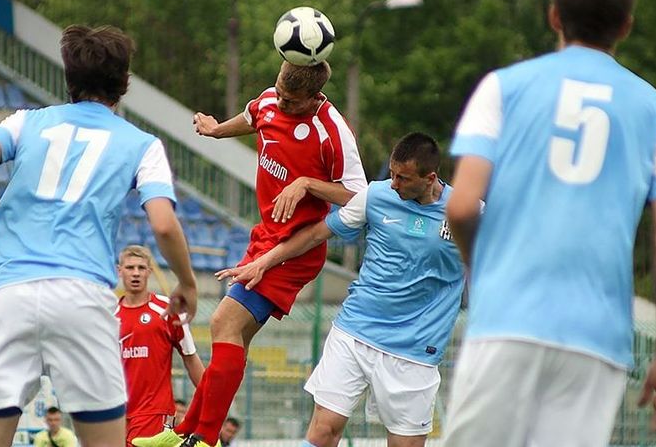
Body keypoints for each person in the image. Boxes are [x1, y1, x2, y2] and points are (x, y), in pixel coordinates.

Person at [443, 0, 656, 445]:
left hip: (505, 319)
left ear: (554, 16)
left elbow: (460, 207)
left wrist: (488, 271)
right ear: (626, 27)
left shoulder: (503, 87)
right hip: (596, 337)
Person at [0, 24, 197, 447]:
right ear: (124, 84)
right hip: (81, 295)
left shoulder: (27, 123)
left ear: (68, 78)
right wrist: (187, 282)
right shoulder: (142, 144)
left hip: (9, 291)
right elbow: (162, 223)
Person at [134, 60, 366, 447]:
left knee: (223, 322)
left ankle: (204, 439)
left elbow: (360, 196)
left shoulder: (331, 130)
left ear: (315, 98)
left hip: (296, 247)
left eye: (293, 101)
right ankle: (183, 433)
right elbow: (252, 116)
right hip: (265, 238)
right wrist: (216, 131)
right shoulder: (272, 101)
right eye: (279, 91)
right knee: (233, 336)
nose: (283, 102)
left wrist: (308, 184)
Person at [219, 133, 464, 447]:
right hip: (355, 331)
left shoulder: (465, 212)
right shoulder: (375, 196)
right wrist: (262, 262)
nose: (393, 184)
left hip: (414, 350)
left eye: (402, 178)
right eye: (391, 173)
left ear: (430, 178)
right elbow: (314, 235)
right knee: (322, 432)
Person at [116, 245, 205, 446]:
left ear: (149, 271)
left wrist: (212, 402)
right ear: (119, 271)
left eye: (141, 267)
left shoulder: (167, 309)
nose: (136, 273)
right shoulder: (108, 315)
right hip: (115, 413)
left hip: (153, 412)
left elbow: (190, 357)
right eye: (130, 268)